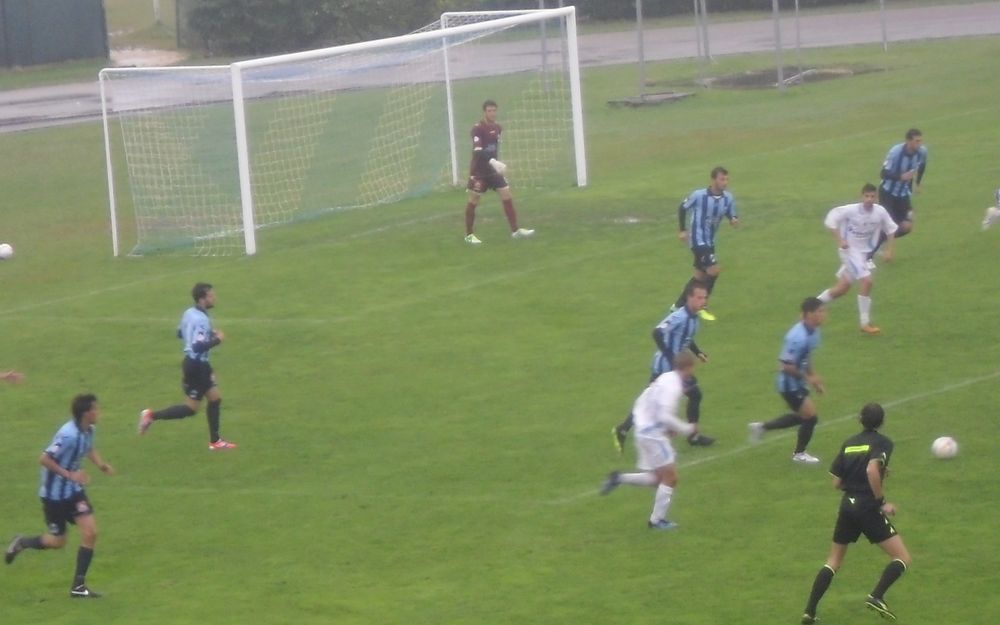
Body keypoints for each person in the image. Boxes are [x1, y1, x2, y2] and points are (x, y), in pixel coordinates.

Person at [800, 402, 911, 624]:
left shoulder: (849, 443)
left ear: (860, 419)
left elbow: (836, 482)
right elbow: (871, 469)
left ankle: (809, 612)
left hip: (847, 506)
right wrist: (881, 502)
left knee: (833, 561)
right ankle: (876, 596)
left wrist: (858, 481)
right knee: (902, 557)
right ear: (882, 421)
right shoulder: (883, 442)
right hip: (867, 507)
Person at [5, 393, 114, 598]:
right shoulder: (67, 435)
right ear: (86, 413)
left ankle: (78, 587)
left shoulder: (89, 429)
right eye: (95, 409)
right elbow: (44, 459)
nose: (99, 412)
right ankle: (22, 543)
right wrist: (70, 474)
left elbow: (88, 448)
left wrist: (101, 465)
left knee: (90, 533)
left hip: (74, 492)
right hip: (54, 496)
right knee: (58, 541)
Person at [600, 350, 700, 530]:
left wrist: (656, 425)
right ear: (688, 367)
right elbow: (664, 415)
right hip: (653, 435)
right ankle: (656, 521)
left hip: (643, 431)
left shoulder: (664, 378)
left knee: (657, 479)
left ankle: (618, 478)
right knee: (671, 478)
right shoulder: (674, 387)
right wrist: (686, 428)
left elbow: (643, 400)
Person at [612, 281, 714, 453]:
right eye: (699, 298)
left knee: (690, 395)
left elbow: (685, 338)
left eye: (704, 298)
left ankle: (623, 429)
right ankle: (625, 429)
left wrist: (698, 353)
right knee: (653, 401)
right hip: (665, 368)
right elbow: (657, 332)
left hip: (678, 368)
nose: (703, 301)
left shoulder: (694, 317)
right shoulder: (680, 316)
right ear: (689, 298)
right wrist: (671, 359)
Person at [138, 282, 236, 450]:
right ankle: (151, 415)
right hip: (197, 366)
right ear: (202, 299)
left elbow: (180, 333)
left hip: (197, 364)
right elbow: (198, 347)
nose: (214, 298)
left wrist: (207, 333)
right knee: (191, 408)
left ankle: (215, 441)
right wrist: (218, 339)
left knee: (214, 398)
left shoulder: (189, 313)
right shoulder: (202, 319)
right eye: (211, 296)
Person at [748, 297, 826, 464]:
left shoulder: (814, 331)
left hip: (797, 382)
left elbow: (806, 356)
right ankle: (799, 454)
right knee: (810, 417)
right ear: (809, 314)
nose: (823, 314)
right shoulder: (797, 337)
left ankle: (761, 427)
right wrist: (809, 378)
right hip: (788, 385)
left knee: (802, 417)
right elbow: (785, 365)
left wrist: (814, 378)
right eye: (820, 311)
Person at [815, 183, 898, 335]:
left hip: (863, 254)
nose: (869, 199)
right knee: (867, 281)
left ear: (876, 198)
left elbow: (891, 229)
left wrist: (889, 250)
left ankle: (813, 305)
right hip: (849, 251)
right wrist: (840, 240)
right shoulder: (850, 210)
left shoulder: (880, 212)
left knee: (842, 288)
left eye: (872, 196)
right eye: (867, 196)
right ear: (861, 196)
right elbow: (831, 219)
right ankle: (864, 323)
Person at [669, 166, 740, 321]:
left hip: (710, 241)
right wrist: (682, 230)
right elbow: (683, 208)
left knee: (700, 276)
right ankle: (702, 306)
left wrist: (733, 219)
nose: (725, 182)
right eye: (722, 179)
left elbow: (730, 212)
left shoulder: (728, 198)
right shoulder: (699, 195)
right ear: (713, 180)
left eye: (727, 179)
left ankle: (678, 305)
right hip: (697, 240)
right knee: (714, 270)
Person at [462, 99, 534, 245]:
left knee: (506, 194)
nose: (492, 113)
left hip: (493, 171)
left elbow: (493, 148)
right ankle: (469, 235)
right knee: (474, 200)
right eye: (489, 111)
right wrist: (493, 161)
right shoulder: (477, 129)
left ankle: (515, 231)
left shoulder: (498, 128)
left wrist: (495, 163)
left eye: (494, 110)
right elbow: (477, 151)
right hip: (479, 171)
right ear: (484, 112)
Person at [872, 128, 927, 260]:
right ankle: (875, 254)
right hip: (888, 193)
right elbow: (883, 173)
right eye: (917, 141)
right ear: (908, 141)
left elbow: (922, 165)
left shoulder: (922, 152)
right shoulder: (895, 152)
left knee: (907, 227)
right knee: (889, 224)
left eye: (920, 141)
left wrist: (917, 183)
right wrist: (900, 177)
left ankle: (875, 240)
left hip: (903, 194)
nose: (919, 144)